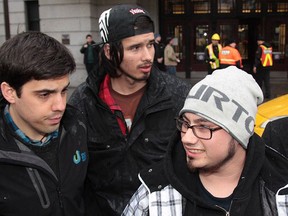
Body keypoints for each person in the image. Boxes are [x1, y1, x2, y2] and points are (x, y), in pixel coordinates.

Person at [68, 4, 192, 216]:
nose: (147, 56)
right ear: (108, 51)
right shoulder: (83, 101)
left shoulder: (178, 96)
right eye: (135, 48)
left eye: (150, 44)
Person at [123, 66, 288, 216]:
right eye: (186, 123)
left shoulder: (280, 193)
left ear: (240, 134)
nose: (187, 138)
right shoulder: (153, 195)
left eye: (203, 127)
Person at [0, 32, 88, 215]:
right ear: (9, 92)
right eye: (44, 94)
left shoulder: (77, 127)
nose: (60, 106)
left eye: (63, 91)